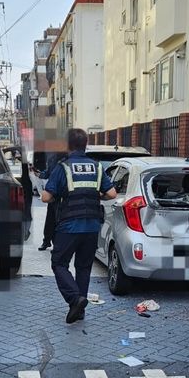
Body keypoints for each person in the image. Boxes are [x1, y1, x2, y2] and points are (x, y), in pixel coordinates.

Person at [42, 129, 115, 323]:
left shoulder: (63, 167)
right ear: (85, 144)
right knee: (83, 267)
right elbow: (112, 194)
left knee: (59, 263)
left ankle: (75, 299)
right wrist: (95, 194)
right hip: (92, 226)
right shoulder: (97, 167)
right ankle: (79, 311)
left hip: (69, 226)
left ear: (68, 145)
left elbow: (46, 197)